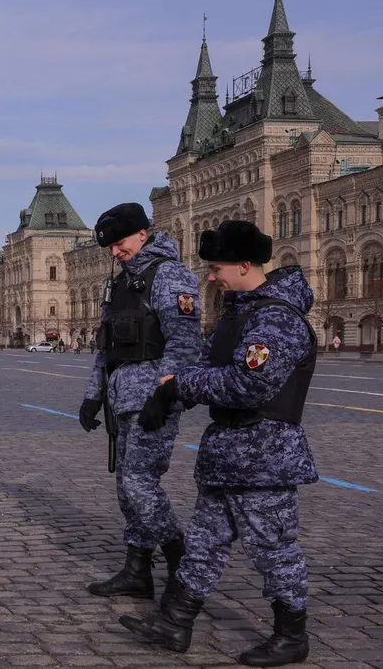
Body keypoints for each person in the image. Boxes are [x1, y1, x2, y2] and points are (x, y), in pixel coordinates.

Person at [121, 220, 318, 667]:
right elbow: (207, 367)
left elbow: (249, 383)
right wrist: (170, 393)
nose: (211, 277)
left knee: (273, 548)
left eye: (217, 268)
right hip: (228, 451)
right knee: (204, 542)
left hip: (266, 454)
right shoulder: (239, 312)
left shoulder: (276, 318)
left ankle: (292, 634)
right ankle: (175, 621)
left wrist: (182, 385)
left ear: (245, 264)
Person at [78, 202, 201, 603]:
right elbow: (106, 346)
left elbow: (184, 345)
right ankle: (137, 569)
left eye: (119, 243)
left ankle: (179, 558)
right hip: (121, 399)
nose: (114, 252)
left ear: (143, 234)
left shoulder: (170, 276)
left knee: (138, 482)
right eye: (110, 246)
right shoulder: (119, 284)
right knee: (125, 487)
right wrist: (93, 396)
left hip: (152, 400)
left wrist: (164, 396)